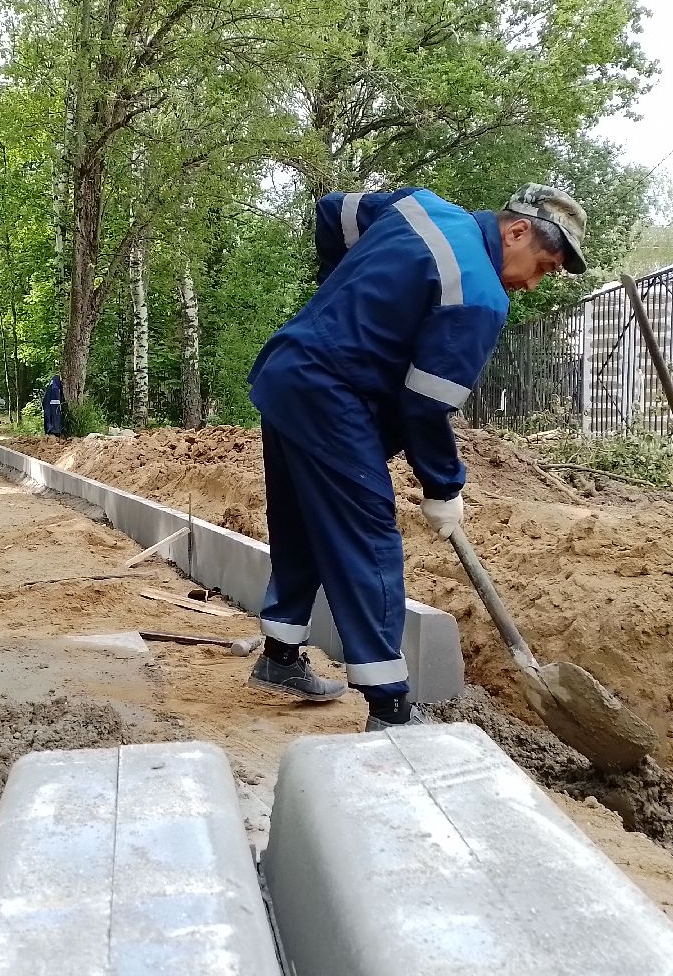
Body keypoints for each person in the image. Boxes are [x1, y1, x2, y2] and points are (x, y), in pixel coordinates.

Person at [245, 184, 587, 730]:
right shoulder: (478, 294)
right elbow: (424, 408)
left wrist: (343, 296)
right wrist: (443, 486)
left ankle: (280, 656)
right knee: (369, 537)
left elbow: (335, 211)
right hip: (332, 397)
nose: (531, 283)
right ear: (516, 232)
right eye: (542, 266)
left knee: (302, 525)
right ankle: (390, 708)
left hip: (287, 374)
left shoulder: (424, 206)